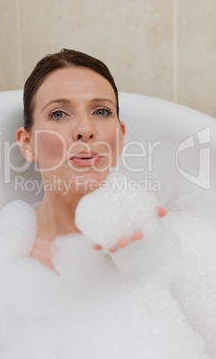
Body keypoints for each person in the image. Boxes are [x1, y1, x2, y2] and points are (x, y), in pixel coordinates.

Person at [16, 48, 166, 271]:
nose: (85, 130)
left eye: (101, 111)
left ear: (121, 136)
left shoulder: (158, 240)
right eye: (58, 113)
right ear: (28, 144)